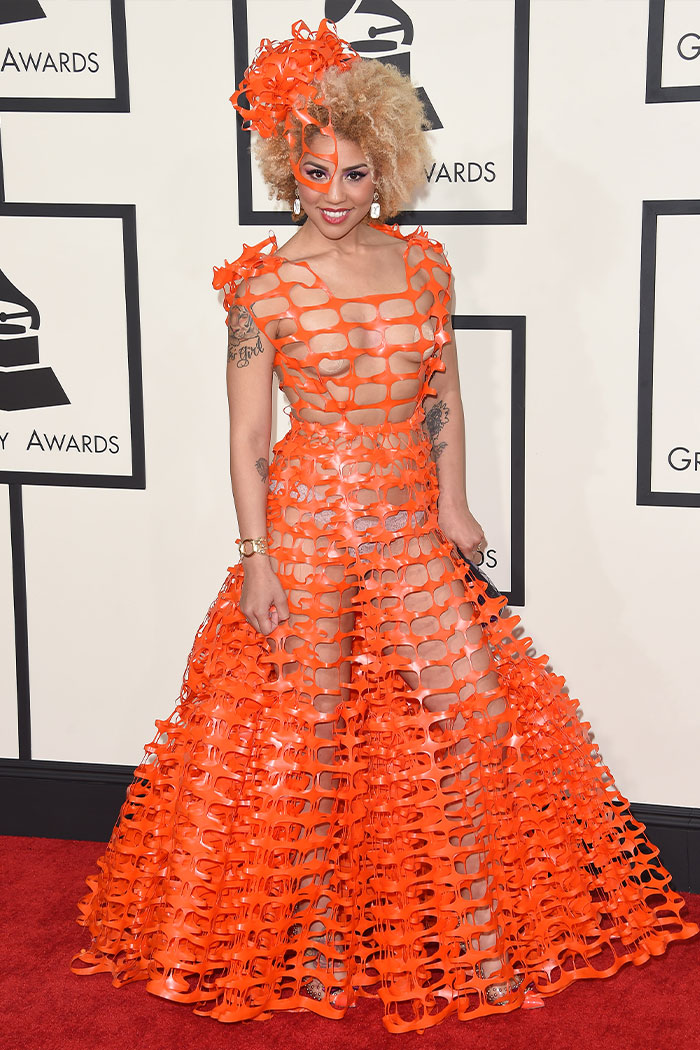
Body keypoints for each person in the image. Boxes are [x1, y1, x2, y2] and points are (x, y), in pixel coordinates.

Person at [70, 20, 698, 1035]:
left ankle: (480, 932)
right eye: (314, 168)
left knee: (475, 707)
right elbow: (246, 442)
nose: (332, 189)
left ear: (387, 172)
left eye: (355, 171)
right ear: (286, 166)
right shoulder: (261, 289)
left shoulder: (422, 269)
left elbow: (442, 392)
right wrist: (256, 559)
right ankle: (317, 941)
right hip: (309, 523)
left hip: (407, 518)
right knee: (309, 735)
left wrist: (453, 502)